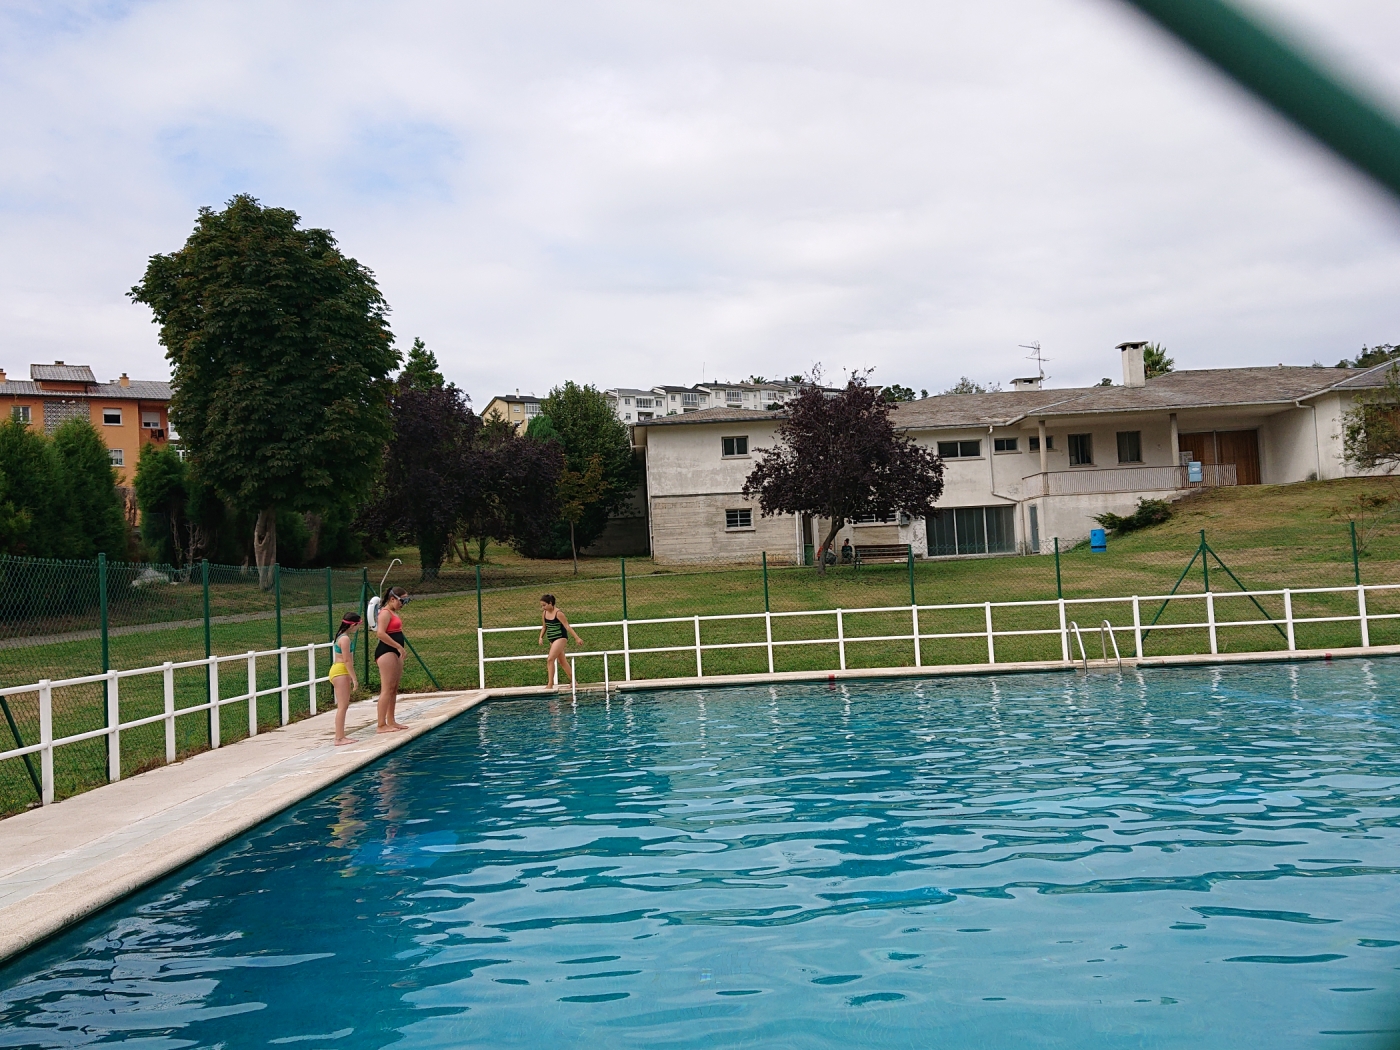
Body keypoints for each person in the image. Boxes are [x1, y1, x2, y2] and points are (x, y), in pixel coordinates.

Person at [375, 587, 411, 733]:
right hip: (386, 652)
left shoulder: (393, 613)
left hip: (394, 652)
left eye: (406, 601)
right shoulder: (384, 613)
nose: (403, 604)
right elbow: (380, 634)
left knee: (394, 688)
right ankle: (380, 725)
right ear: (392, 599)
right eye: (402, 601)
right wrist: (398, 647)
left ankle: (391, 720)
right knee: (386, 689)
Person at [328, 613, 362, 746]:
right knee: (342, 706)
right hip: (341, 671)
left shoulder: (340, 636)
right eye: (358, 625)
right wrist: (354, 678)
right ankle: (339, 738)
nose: (358, 628)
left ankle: (340, 737)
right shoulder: (345, 639)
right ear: (353, 624)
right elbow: (347, 660)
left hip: (338, 670)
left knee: (343, 706)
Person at [538, 594, 584, 688]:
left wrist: (577, 638)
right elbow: (544, 626)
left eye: (544, 605)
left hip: (560, 638)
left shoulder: (558, 613)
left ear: (550, 603)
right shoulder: (545, 613)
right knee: (562, 662)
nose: (543, 608)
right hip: (552, 639)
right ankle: (574, 681)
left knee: (550, 659)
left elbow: (567, 626)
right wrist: (541, 637)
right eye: (542, 606)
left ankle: (550, 684)